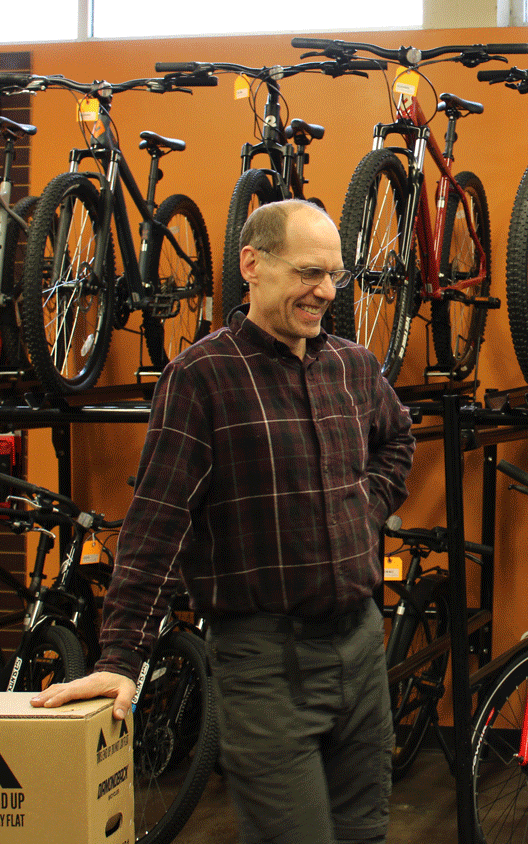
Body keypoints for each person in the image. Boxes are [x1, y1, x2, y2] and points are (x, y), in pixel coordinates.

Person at [33, 199, 416, 844]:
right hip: (266, 664)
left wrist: (362, 509)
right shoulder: (202, 376)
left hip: (360, 651)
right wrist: (122, 659)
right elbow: (158, 523)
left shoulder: (353, 366)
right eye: (306, 273)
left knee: (365, 835)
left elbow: (396, 441)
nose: (325, 290)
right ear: (252, 265)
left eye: (334, 275)